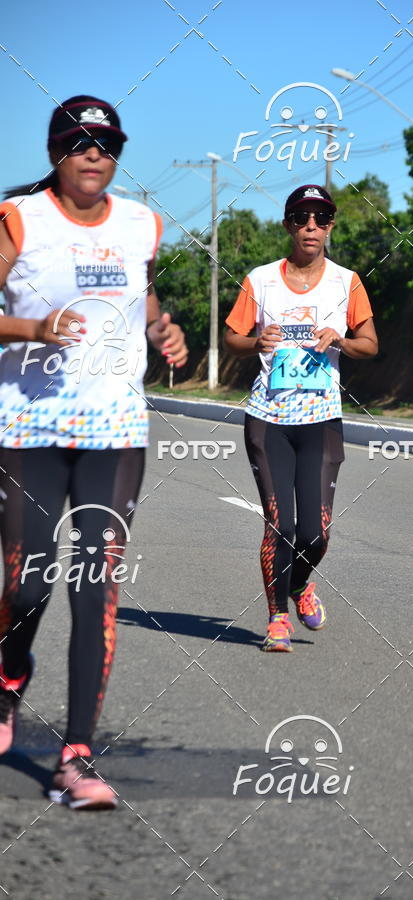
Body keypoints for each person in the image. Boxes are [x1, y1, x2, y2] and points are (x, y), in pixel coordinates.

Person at [0, 95, 188, 808]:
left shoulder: (141, 224)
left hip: (114, 430)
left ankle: (76, 756)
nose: (93, 155)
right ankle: (8, 674)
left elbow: (143, 301)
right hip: (29, 429)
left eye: (107, 145)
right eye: (79, 143)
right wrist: (33, 328)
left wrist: (163, 330)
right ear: (56, 152)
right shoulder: (21, 219)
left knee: (95, 587)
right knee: (27, 586)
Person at [224, 184, 378, 652]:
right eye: (302, 218)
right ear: (288, 224)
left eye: (321, 218)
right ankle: (277, 619)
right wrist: (256, 341)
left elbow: (370, 345)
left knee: (315, 533)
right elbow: (232, 337)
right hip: (268, 419)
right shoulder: (261, 280)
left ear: (330, 226)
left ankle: (298, 584)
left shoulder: (347, 282)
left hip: (321, 421)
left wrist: (340, 340)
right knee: (281, 525)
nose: (312, 226)